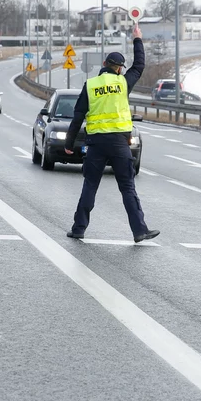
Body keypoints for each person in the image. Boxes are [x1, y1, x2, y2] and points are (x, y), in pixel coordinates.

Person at [64, 23, 159, 243]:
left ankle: (79, 229)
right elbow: (140, 65)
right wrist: (137, 39)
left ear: (104, 64)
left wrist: (69, 142)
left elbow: (78, 115)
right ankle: (139, 231)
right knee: (127, 188)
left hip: (96, 143)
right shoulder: (123, 83)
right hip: (119, 143)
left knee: (90, 185)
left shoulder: (90, 85)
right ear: (119, 68)